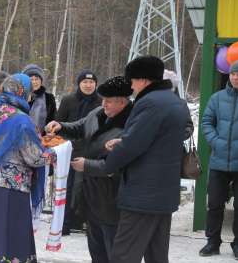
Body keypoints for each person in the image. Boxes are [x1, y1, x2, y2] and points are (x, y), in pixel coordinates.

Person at [70, 56, 190, 263]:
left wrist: (105, 164)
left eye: (133, 80)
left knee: (123, 254)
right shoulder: (175, 102)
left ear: (143, 80)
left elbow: (132, 146)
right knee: (157, 254)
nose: (131, 86)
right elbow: (153, 140)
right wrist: (122, 140)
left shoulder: (149, 103)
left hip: (142, 195)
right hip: (164, 192)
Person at [0, 74, 56, 263]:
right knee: (8, 239)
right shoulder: (22, 121)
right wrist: (55, 153)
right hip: (11, 189)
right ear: (23, 92)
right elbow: (34, 157)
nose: (30, 97)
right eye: (29, 92)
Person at [46, 76, 133, 262]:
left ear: (123, 102)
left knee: (115, 250)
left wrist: (87, 165)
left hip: (113, 197)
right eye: (103, 100)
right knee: (96, 248)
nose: (104, 104)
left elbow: (119, 165)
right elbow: (80, 127)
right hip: (90, 193)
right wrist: (61, 126)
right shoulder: (99, 112)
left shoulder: (132, 124)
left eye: (109, 101)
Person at [200, 59, 238, 260]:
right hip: (219, 161)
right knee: (215, 203)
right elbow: (207, 122)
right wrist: (215, 141)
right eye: (233, 74)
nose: (235, 77)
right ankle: (212, 242)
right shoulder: (217, 99)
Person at [56, 69, 102, 235]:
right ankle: (66, 222)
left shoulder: (101, 101)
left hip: (93, 152)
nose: (88, 85)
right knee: (69, 187)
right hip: (71, 150)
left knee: (90, 188)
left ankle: (89, 223)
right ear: (79, 83)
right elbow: (59, 122)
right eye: (85, 82)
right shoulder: (69, 100)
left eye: (91, 82)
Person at [22, 64, 56, 133]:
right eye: (31, 79)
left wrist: (51, 130)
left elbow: (53, 119)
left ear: (41, 81)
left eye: (37, 79)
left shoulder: (49, 98)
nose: (34, 82)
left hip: (42, 139)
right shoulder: (19, 97)